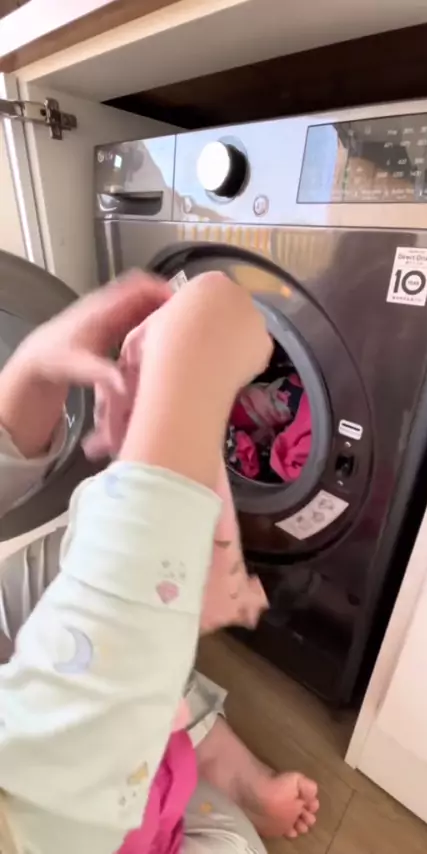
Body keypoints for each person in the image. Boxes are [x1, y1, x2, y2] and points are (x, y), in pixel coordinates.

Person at [0, 271, 318, 854]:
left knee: (96, 591)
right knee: (233, 844)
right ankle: (213, 770)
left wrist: (35, 370)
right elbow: (42, 782)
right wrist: (197, 340)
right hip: (64, 818)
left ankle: (209, 754)